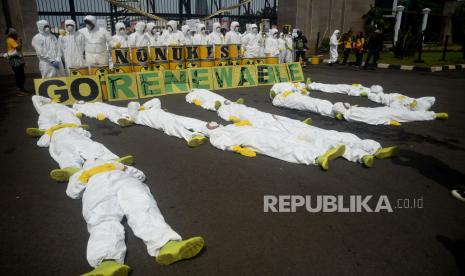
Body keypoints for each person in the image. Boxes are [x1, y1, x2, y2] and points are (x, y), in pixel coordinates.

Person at [66, 158, 205, 275]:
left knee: (143, 208)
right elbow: (72, 191)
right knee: (102, 219)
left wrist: (124, 167)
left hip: (125, 182)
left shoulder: (117, 165)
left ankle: (168, 245)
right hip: (97, 189)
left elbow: (140, 175)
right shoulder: (80, 174)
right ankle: (106, 263)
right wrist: (83, 177)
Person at [127, 98, 210, 147]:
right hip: (161, 123)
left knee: (189, 121)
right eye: (136, 107)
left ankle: (209, 128)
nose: (137, 106)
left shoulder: (152, 108)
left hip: (170, 116)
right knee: (174, 127)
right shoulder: (137, 117)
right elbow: (132, 105)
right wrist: (138, 108)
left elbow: (156, 100)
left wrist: (143, 106)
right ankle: (192, 136)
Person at [332, 102, 448, 126]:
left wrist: (352, 106)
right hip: (381, 115)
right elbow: (368, 119)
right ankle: (433, 115)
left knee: (401, 110)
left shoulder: (350, 111)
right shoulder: (350, 116)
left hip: (380, 111)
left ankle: (422, 110)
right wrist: (387, 122)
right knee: (406, 116)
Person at [4, 27, 27, 95]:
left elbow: (19, 49)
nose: (16, 34)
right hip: (14, 59)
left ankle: (22, 89)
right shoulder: (10, 40)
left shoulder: (11, 39)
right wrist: (20, 42)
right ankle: (19, 90)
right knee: (19, 74)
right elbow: (18, 47)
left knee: (21, 75)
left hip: (16, 58)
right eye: (15, 33)